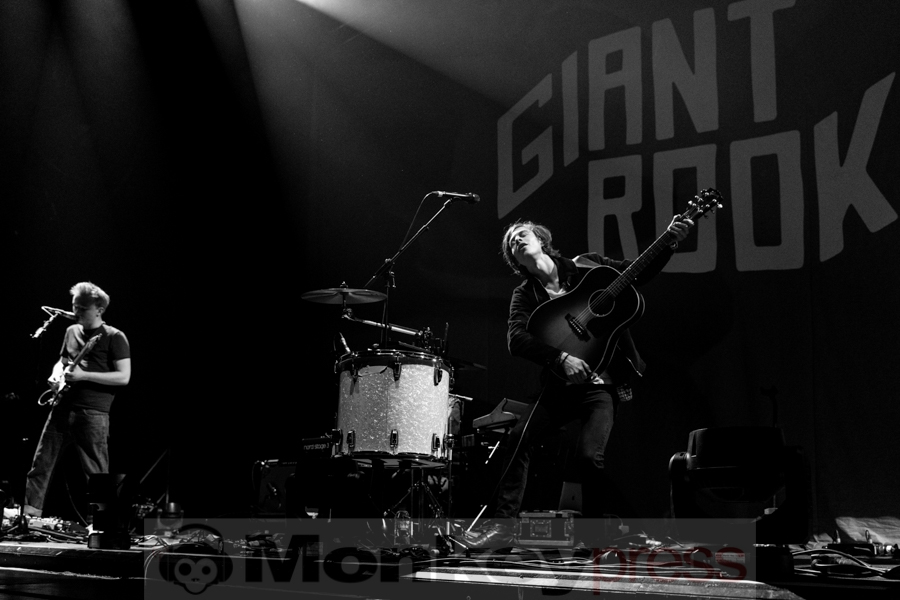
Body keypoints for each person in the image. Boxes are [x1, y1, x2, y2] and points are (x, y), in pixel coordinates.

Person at [465, 216, 691, 549]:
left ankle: (595, 539)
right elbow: (516, 339)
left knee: (589, 458)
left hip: (601, 385)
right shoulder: (524, 294)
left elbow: (637, 272)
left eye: (521, 234)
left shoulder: (589, 267)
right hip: (558, 387)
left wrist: (669, 242)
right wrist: (561, 359)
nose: (515, 240)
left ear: (541, 239)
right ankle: (502, 530)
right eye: (510, 242)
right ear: (514, 260)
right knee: (517, 441)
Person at [23, 282, 131, 520]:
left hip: (93, 413)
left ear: (99, 309)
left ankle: (101, 525)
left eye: (82, 308)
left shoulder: (114, 337)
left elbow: (124, 377)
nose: (76, 312)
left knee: (96, 473)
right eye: (74, 306)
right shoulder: (71, 331)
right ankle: (29, 518)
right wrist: (55, 374)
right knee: (40, 465)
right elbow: (62, 361)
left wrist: (84, 375)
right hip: (61, 407)